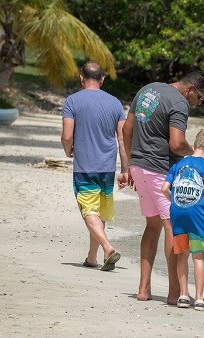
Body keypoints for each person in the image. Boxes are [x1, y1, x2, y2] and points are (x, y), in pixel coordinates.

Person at [123, 71, 204, 305]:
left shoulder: (148, 89)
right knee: (173, 227)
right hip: (160, 171)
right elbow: (176, 143)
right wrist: (196, 155)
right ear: (191, 89)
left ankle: (143, 289)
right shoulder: (180, 102)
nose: (198, 103)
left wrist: (130, 164)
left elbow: (126, 129)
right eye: (200, 98)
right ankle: (175, 292)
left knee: (152, 226)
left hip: (139, 168)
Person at [61, 61, 127, 272]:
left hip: (85, 166)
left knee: (88, 210)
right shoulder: (116, 103)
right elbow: (123, 139)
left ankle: (107, 248)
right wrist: (126, 169)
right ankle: (92, 257)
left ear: (82, 78)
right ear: (102, 79)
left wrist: (68, 150)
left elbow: (67, 135)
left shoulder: (72, 101)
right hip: (108, 167)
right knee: (99, 212)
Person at [161, 129, 204, 311]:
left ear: (194, 146)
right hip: (196, 217)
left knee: (182, 254)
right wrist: (203, 199)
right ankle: (200, 298)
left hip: (177, 214)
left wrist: (176, 201)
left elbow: (164, 188)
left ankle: (184, 295)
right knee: (198, 257)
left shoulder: (178, 165)